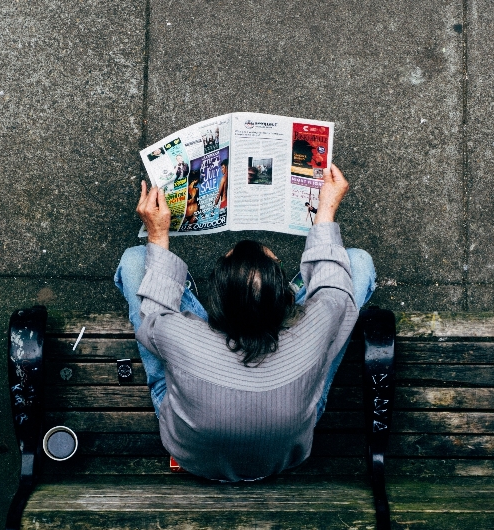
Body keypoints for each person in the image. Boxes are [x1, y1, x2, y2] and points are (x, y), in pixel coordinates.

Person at [114, 164, 375, 482]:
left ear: (214, 306)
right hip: (282, 453)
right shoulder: (313, 331)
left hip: (193, 452)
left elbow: (153, 312)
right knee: (356, 263)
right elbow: (335, 292)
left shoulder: (178, 333)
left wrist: (157, 234)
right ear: (283, 309)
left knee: (135, 262)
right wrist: (327, 208)